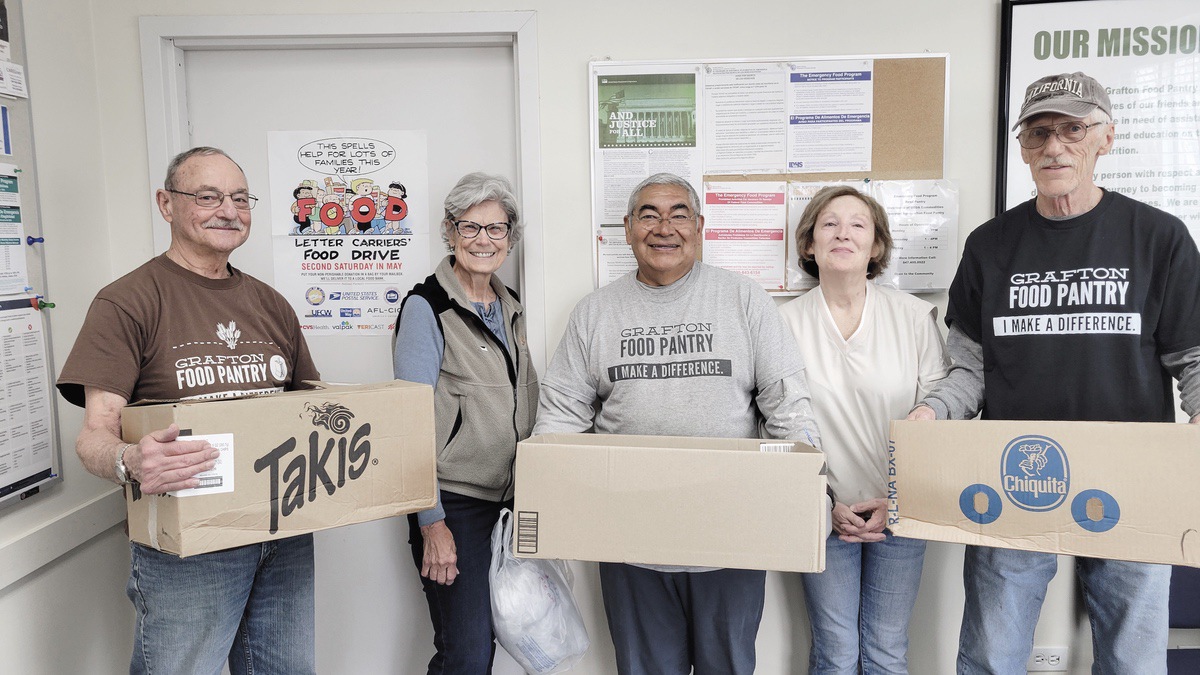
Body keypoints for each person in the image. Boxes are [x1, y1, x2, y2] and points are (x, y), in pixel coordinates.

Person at [908, 71, 1200, 674]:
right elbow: (971, 369)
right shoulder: (990, 245)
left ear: (1105, 138)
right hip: (1017, 473)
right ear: (1022, 148)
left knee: (1133, 658)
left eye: (1072, 130)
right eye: (1038, 134)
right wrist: (931, 413)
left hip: (1132, 476)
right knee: (992, 651)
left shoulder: (1159, 238)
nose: (1054, 147)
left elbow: (1192, 360)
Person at [534, 172, 823, 675]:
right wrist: (555, 504)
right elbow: (559, 419)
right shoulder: (594, 313)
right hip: (629, 542)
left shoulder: (743, 299)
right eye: (648, 214)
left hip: (731, 539)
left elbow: (788, 407)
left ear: (700, 226)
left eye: (678, 214)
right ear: (627, 229)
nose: (663, 227)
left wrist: (804, 490)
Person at [57, 146, 321, 675]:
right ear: (167, 204)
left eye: (241, 198)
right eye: (208, 196)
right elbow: (93, 436)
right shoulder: (128, 301)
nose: (229, 210)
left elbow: (309, 410)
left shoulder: (272, 304)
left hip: (282, 531)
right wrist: (131, 460)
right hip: (189, 546)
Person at [779, 186, 948, 674]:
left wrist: (896, 500)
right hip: (823, 512)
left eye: (858, 224)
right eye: (829, 223)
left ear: (877, 246)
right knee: (834, 653)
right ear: (809, 244)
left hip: (902, 508)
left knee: (886, 651)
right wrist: (825, 503)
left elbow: (938, 413)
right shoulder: (784, 322)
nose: (843, 233)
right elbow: (778, 421)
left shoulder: (914, 317)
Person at [393, 172, 538, 674]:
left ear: (510, 238)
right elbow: (407, 423)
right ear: (450, 233)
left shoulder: (512, 305)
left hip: (508, 504)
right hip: (453, 505)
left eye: (495, 229)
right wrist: (431, 522)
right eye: (469, 227)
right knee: (467, 652)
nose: (483, 240)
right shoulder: (426, 308)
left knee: (504, 635)